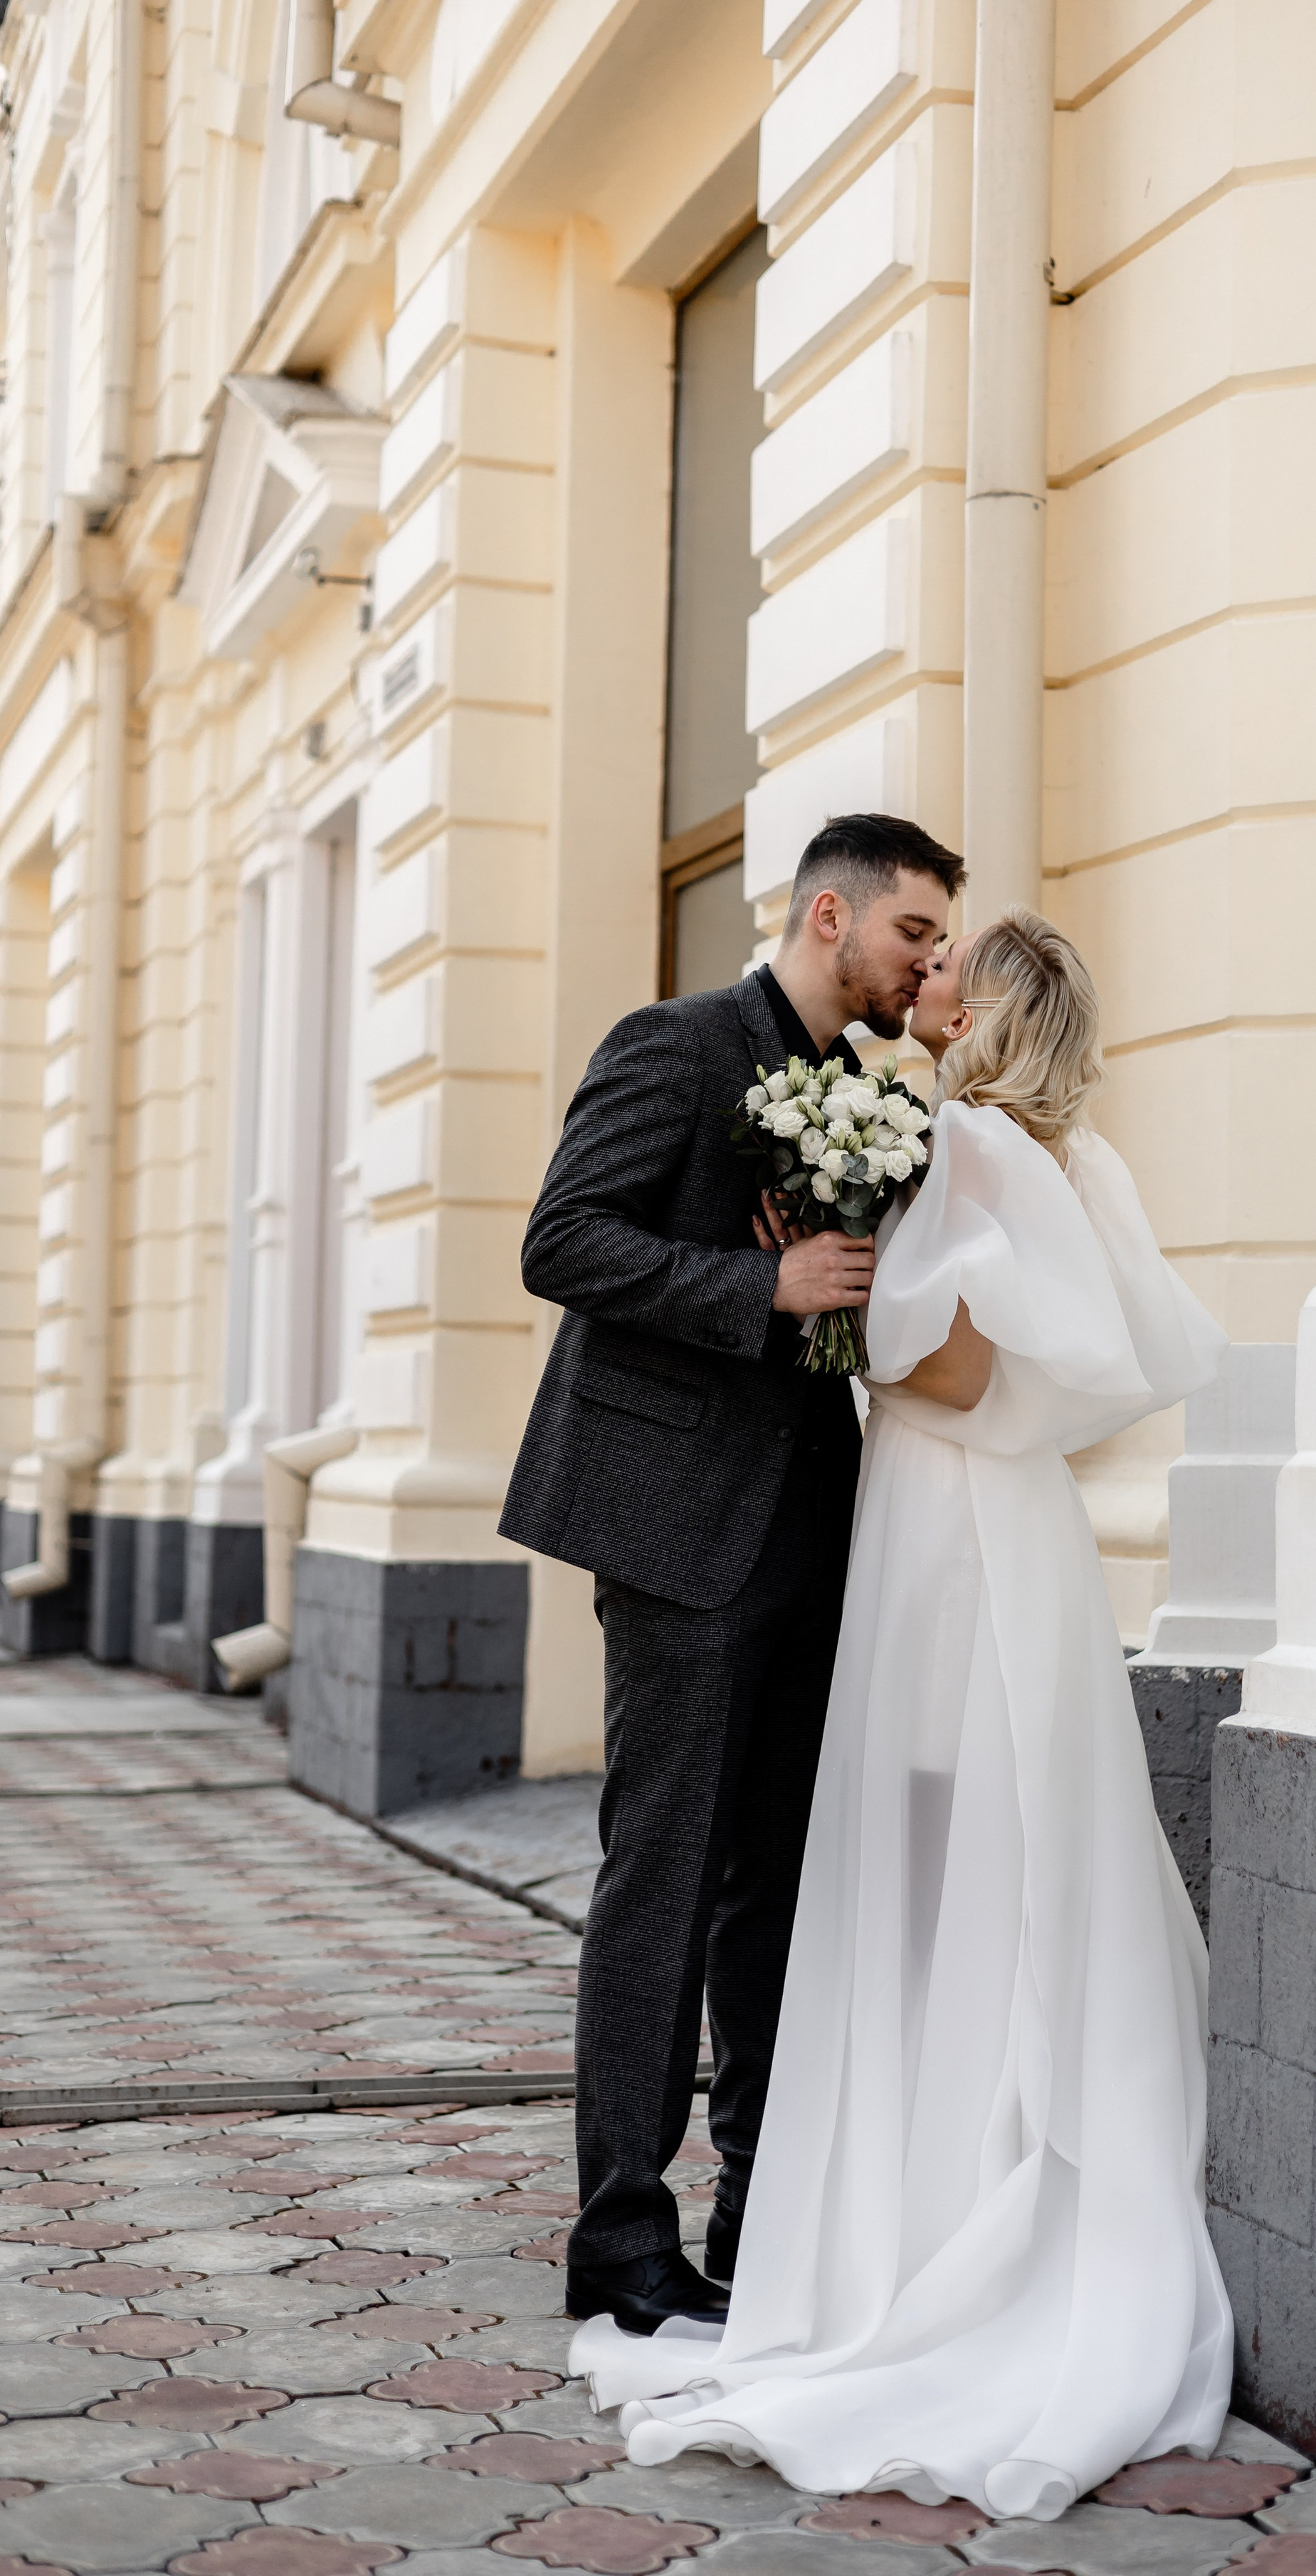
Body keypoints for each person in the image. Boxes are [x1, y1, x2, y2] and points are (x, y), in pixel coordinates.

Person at [570, 907, 1234, 2517]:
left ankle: (927, 2210)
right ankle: (943, 2170)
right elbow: (1102, 1358)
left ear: (984, 1008)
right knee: (990, 1846)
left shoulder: (964, 1143)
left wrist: (809, 1280)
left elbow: (946, 1371)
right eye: (914, 948)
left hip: (944, 1529)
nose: (916, 981)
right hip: (1007, 1529)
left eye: (943, 965)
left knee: (929, 1860)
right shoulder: (1068, 1152)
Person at [500, 813, 967, 2338]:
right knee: (665, 1876)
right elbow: (563, 1241)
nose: (928, 962)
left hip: (810, 1533)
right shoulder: (679, 1043)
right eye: (914, 935)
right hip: (673, 1528)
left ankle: (755, 2215)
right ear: (830, 915)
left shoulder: (859, 1094)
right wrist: (751, 1281)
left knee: (773, 1893)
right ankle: (618, 2238)